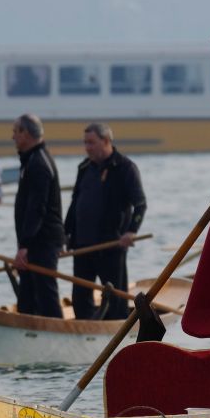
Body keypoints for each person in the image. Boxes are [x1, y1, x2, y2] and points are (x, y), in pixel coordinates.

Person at [64, 122, 147, 320]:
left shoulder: (126, 168)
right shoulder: (84, 168)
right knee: (80, 297)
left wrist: (131, 231)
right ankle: (84, 329)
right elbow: (75, 204)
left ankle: (116, 332)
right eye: (85, 143)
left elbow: (140, 204)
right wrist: (65, 234)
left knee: (115, 299)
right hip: (83, 246)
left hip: (111, 245)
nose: (87, 147)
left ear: (107, 141)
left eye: (92, 143)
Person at [12, 113, 65, 318]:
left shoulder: (38, 163)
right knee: (27, 295)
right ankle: (27, 328)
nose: (13, 137)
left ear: (26, 133)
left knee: (45, 293)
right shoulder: (30, 160)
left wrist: (25, 246)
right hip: (32, 242)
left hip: (43, 241)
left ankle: (56, 332)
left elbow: (37, 209)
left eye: (16, 131)